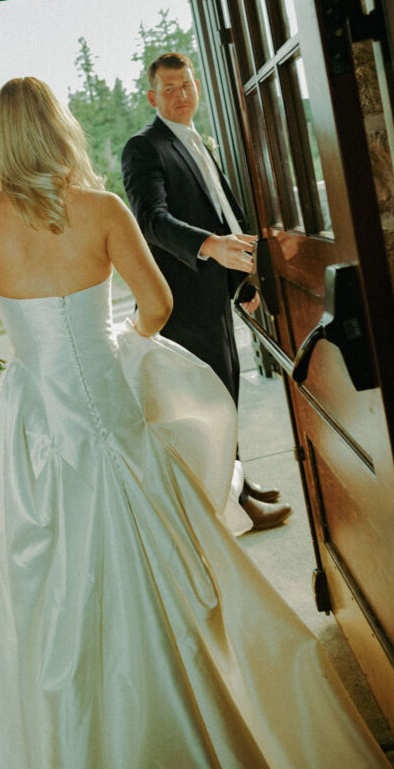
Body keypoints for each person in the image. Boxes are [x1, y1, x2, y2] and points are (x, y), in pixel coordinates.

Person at [0, 75, 390, 769]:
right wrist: (115, 340)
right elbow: (155, 305)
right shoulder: (99, 209)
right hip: (107, 405)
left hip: (38, 423)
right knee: (146, 545)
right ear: (58, 130)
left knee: (49, 571)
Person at [121, 51, 290, 531]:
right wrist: (211, 248)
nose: (180, 95)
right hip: (179, 304)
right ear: (152, 97)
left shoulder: (196, 141)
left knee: (229, 394)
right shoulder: (143, 147)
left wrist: (241, 284)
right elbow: (151, 221)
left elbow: (224, 215)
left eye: (186, 85)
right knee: (207, 407)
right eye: (169, 89)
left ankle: (239, 482)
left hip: (215, 295)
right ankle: (229, 507)